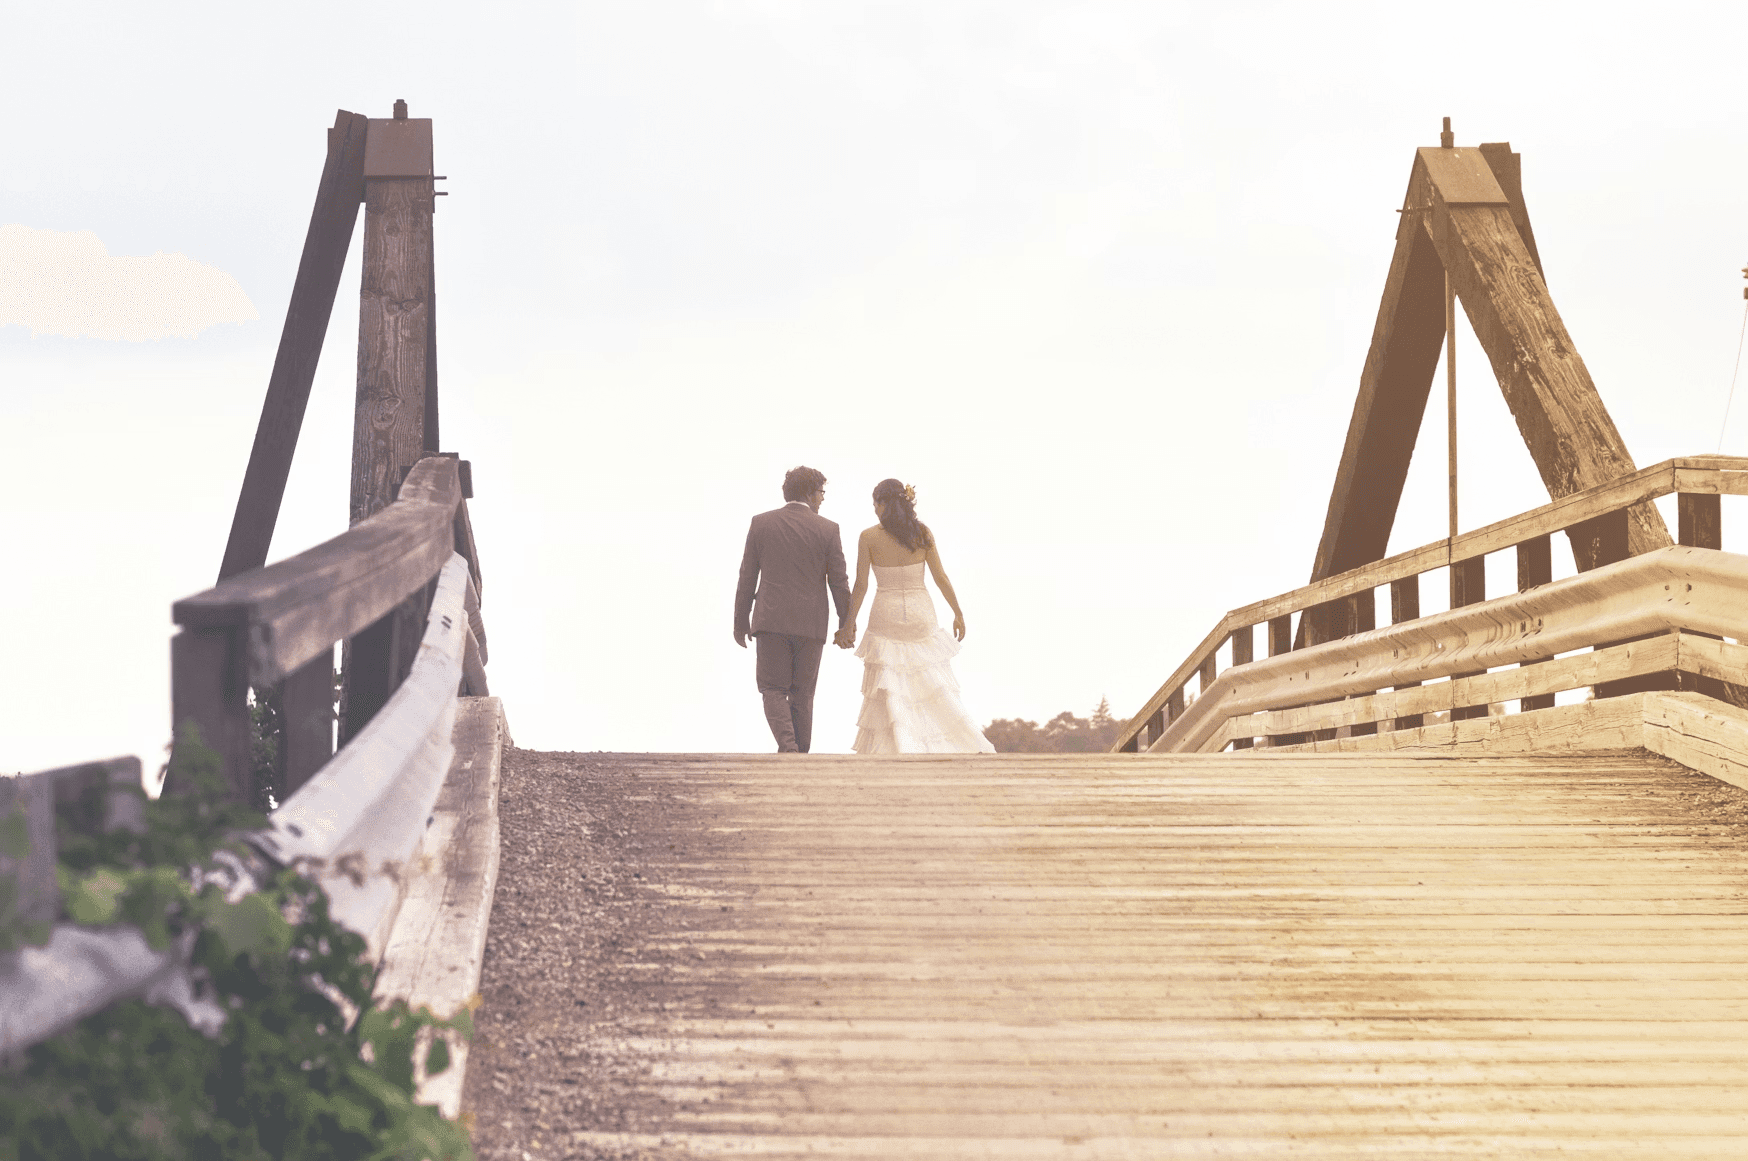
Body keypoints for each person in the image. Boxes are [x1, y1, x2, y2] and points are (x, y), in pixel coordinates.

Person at [834, 479, 994, 754]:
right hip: (921, 613)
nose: (874, 509)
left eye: (876, 503)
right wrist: (957, 612)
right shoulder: (922, 533)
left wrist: (849, 624)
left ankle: (898, 744)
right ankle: (951, 741)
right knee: (930, 680)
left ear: (885, 504)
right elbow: (940, 577)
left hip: (885, 614)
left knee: (891, 681)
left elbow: (861, 585)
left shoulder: (868, 537)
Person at [734, 466, 853, 753]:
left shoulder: (761, 523)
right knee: (803, 694)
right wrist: (846, 623)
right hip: (811, 624)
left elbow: (747, 575)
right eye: (821, 492)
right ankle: (799, 753)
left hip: (770, 620)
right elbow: (839, 582)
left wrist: (740, 621)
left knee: (773, 689)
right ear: (810, 493)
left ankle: (789, 748)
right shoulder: (828, 529)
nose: (822, 498)